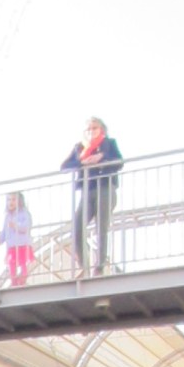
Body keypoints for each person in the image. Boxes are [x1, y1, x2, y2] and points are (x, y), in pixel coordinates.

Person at [61, 116, 123, 276]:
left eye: (94, 128)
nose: (91, 131)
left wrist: (102, 158)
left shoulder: (109, 144)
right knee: (77, 227)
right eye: (88, 129)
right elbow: (65, 166)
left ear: (101, 130)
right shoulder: (80, 147)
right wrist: (83, 163)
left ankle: (99, 265)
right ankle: (85, 264)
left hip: (105, 187)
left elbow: (119, 162)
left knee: (101, 227)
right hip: (87, 190)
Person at [0, 191, 34, 286]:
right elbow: (4, 231)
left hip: (22, 244)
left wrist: (16, 226)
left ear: (19, 201)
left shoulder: (25, 214)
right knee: (11, 265)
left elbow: (26, 227)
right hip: (11, 246)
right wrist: (0, 239)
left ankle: (22, 280)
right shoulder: (7, 217)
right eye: (8, 200)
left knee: (23, 264)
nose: (11, 202)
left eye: (13, 199)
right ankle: (14, 282)